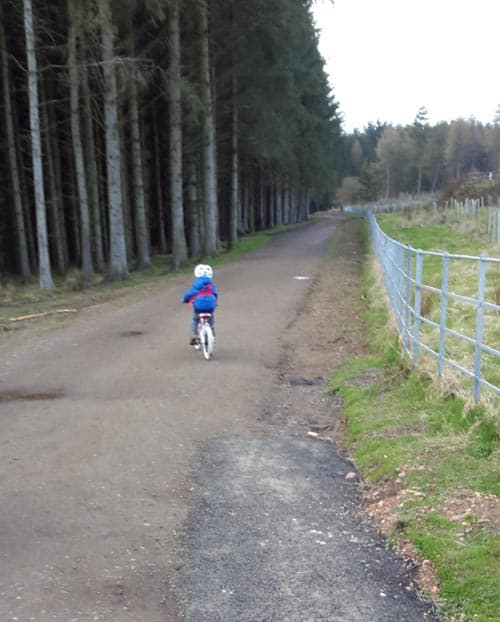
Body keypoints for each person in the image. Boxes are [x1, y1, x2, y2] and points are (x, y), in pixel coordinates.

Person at [182, 264, 219, 345]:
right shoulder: (212, 285)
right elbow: (215, 294)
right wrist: (215, 302)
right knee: (211, 316)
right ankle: (211, 329)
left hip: (199, 306)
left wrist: (184, 300)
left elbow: (189, 294)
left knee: (195, 320)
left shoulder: (196, 285)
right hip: (210, 306)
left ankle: (194, 335)